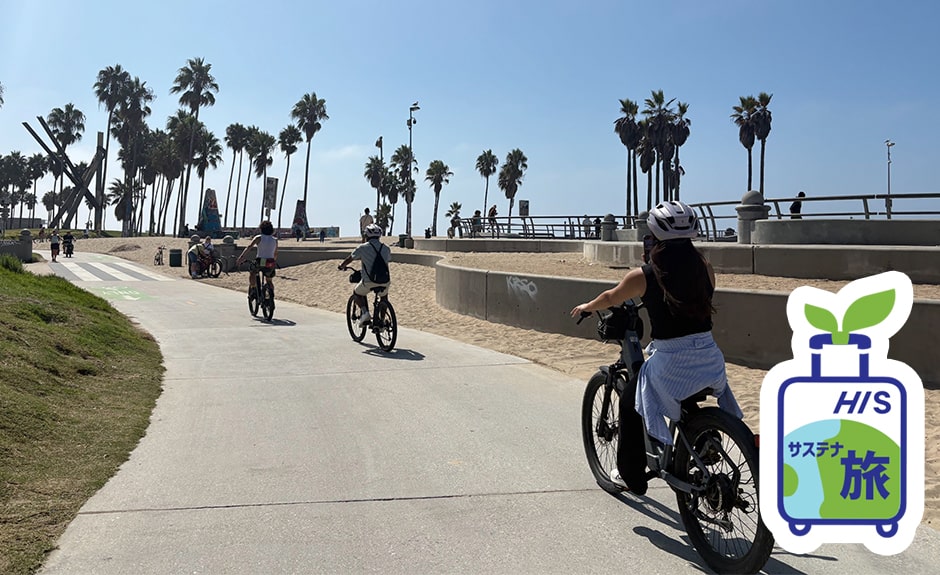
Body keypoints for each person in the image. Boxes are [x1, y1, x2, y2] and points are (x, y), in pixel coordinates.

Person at [570, 200, 742, 495]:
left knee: (630, 404)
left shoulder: (645, 275)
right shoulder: (705, 267)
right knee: (684, 391)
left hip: (672, 363)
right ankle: (704, 438)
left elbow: (611, 296)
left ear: (654, 237)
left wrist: (588, 306)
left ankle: (631, 477)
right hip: (710, 360)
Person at [337, 223, 391, 327]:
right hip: (385, 281)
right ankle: (382, 321)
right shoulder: (386, 248)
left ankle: (365, 313)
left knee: (357, 293)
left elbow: (350, 258)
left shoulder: (362, 248)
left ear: (366, 236)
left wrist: (341, 266)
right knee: (384, 297)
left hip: (369, 281)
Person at [236, 220, 279, 297]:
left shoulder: (259, 238)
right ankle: (271, 293)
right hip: (271, 261)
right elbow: (275, 253)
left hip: (261, 261)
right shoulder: (275, 240)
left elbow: (249, 247)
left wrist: (241, 257)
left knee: (253, 272)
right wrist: (274, 261)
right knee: (269, 280)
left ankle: (253, 288)